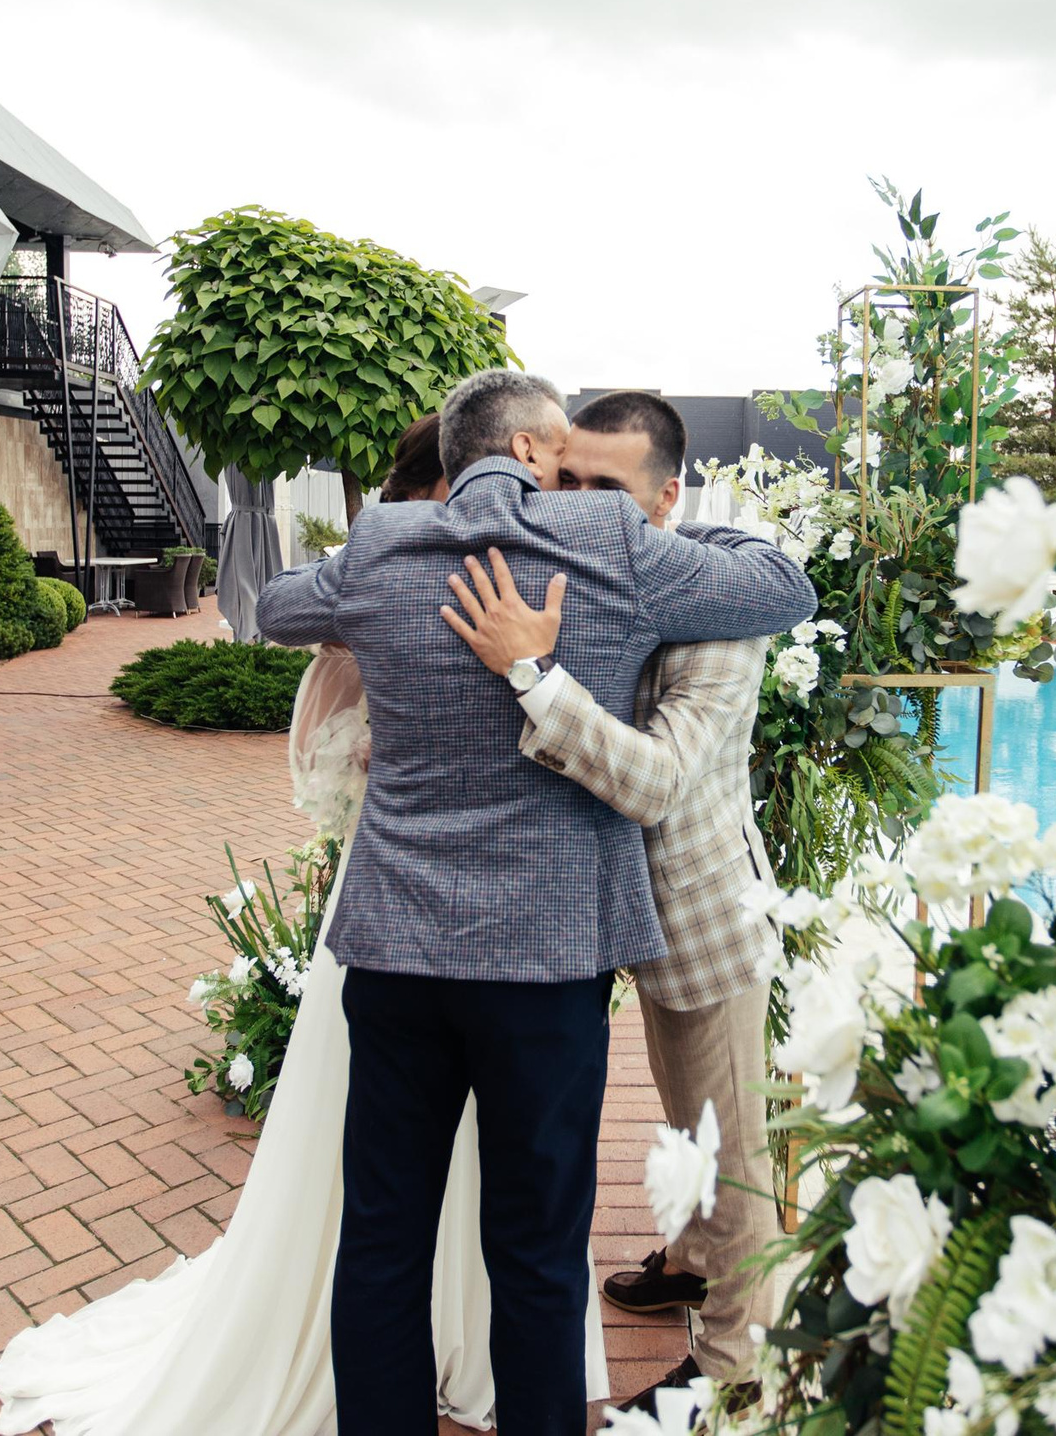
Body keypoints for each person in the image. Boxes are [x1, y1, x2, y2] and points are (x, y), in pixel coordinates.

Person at [0, 409, 610, 1435]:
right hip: (427, 937)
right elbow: (328, 737)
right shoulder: (390, 571)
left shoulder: (511, 567)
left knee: (437, 1223)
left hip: (440, 939)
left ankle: (467, 1373)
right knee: (419, 1220)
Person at [257, 370, 814, 1436]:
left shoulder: (383, 547)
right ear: (521, 450)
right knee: (539, 1251)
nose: (565, 475)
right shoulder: (607, 543)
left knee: (380, 1239)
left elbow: (276, 608)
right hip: (543, 963)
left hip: (394, 955)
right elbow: (784, 590)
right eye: (555, 453)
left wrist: (378, 573)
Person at [440, 391, 784, 1411]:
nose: (575, 509)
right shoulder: (584, 573)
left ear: (667, 499)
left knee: (729, 1151)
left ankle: (738, 1372)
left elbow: (655, 782)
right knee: (685, 1129)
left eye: (604, 491)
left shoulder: (727, 609)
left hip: (701, 914)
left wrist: (533, 679)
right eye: (566, 482)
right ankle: (685, 1261)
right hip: (599, 911)